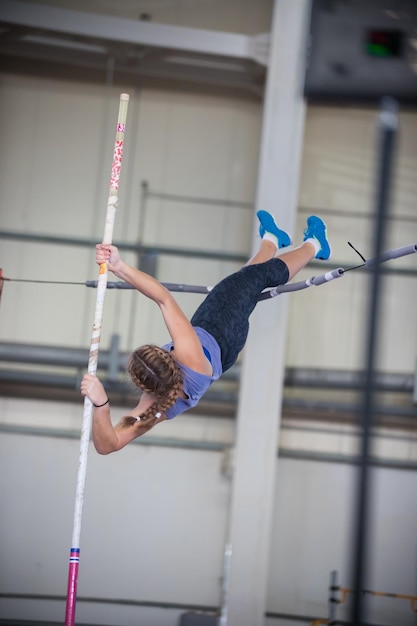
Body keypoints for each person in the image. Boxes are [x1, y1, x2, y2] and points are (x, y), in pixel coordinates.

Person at [81, 211, 331, 454]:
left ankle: (272, 240)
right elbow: (163, 299)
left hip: (219, 347)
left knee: (244, 281)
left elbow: (108, 445)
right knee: (254, 277)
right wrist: (120, 267)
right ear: (166, 355)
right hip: (222, 329)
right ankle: (314, 245)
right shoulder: (186, 353)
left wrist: (101, 404)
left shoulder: (153, 407)